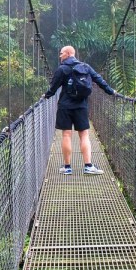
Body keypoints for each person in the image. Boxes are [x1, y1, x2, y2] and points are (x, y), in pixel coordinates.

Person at [43, 45, 116, 175]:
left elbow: (53, 88)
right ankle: (88, 166)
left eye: (61, 53)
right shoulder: (85, 67)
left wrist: (46, 96)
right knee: (84, 135)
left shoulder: (62, 69)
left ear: (68, 53)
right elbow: (99, 80)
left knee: (66, 135)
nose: (60, 56)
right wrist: (111, 92)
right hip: (81, 105)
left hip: (65, 106)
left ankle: (67, 167)